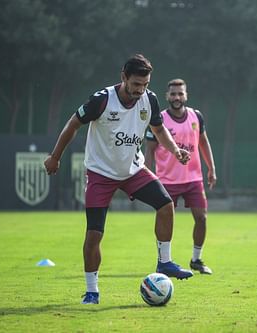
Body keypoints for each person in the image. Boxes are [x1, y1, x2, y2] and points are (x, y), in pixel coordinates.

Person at [44, 54, 194, 305]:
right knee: (94, 235)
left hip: (133, 171)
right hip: (101, 174)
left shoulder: (150, 99)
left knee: (166, 204)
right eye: (136, 84)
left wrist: (175, 150)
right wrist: (55, 157)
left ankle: (165, 262)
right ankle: (92, 291)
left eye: (145, 84)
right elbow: (72, 124)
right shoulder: (102, 100)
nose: (140, 90)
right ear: (123, 77)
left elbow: (158, 129)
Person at [145, 78, 217, 275]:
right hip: (167, 181)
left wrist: (211, 168)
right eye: (173, 94)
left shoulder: (196, 116)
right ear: (167, 96)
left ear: (186, 95)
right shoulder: (159, 119)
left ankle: (196, 259)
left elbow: (203, 142)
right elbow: (149, 150)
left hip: (194, 179)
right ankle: (164, 260)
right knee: (165, 221)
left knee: (201, 218)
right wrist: (148, 175)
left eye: (180, 93)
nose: (177, 97)